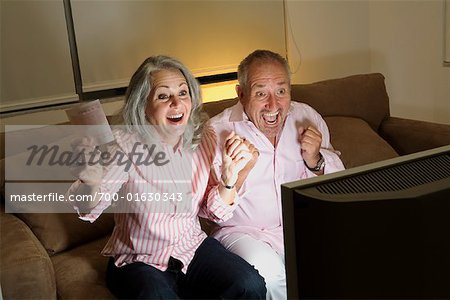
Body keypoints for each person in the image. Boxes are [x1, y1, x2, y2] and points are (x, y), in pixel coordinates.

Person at [67, 55, 266, 299]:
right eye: (163, 96)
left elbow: (212, 212)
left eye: (183, 93)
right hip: (138, 259)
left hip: (191, 247)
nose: (176, 102)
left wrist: (229, 178)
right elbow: (89, 209)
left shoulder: (205, 138)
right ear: (143, 106)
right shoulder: (124, 145)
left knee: (250, 284)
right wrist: (91, 180)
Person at [205, 49, 345, 299]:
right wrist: (236, 176)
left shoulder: (307, 117)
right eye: (261, 93)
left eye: (281, 91)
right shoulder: (216, 132)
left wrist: (316, 160)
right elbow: (209, 211)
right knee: (271, 275)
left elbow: (338, 186)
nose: (273, 105)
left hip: (298, 226)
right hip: (241, 232)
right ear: (241, 94)